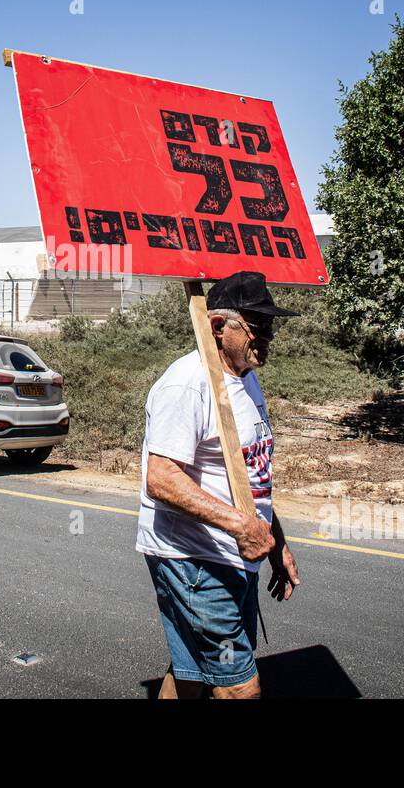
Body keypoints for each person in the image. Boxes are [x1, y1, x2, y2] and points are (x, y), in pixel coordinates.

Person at [137, 270, 301, 699]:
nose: (267, 336)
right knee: (239, 688)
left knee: (192, 673)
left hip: (234, 552)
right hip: (194, 559)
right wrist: (242, 527)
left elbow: (248, 475)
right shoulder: (186, 384)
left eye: (271, 326)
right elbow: (162, 479)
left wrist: (275, 539)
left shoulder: (245, 377)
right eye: (256, 326)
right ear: (217, 326)